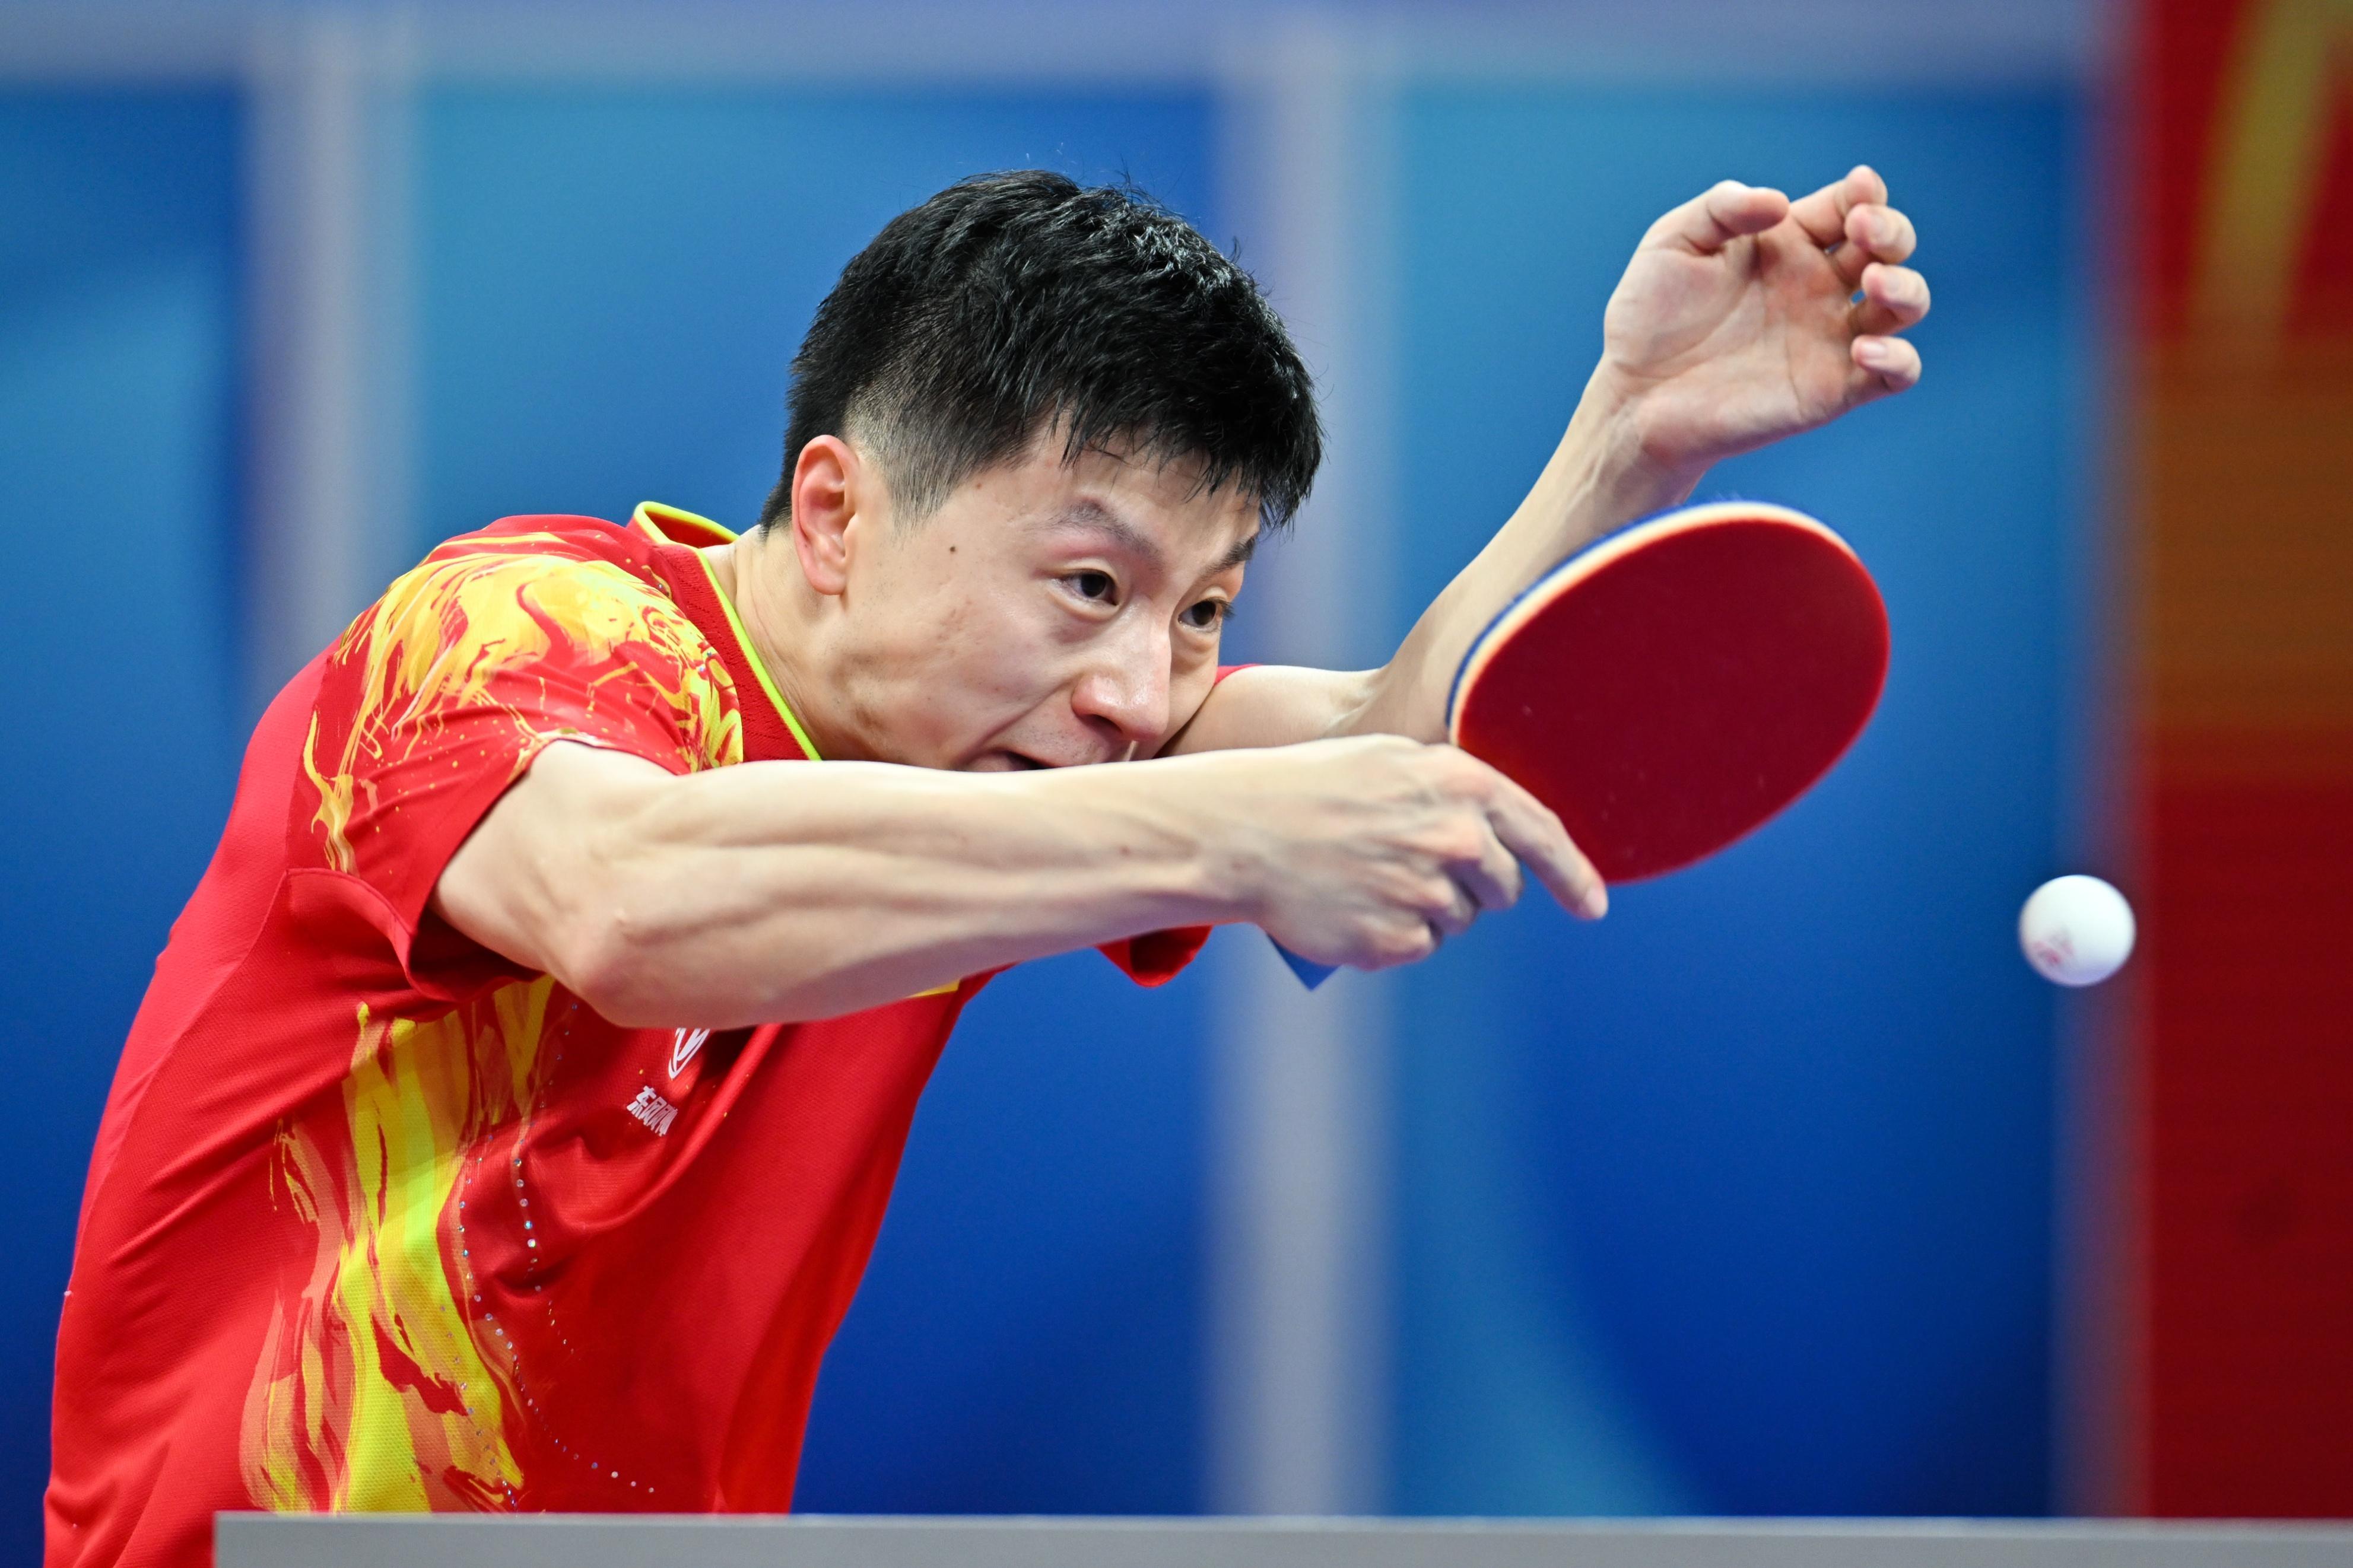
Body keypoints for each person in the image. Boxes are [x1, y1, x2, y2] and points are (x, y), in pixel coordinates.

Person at [46, 166, 1926, 1566]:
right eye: (1090, 582)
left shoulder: (1001, 743)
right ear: (839, 512)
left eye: (1205, 611)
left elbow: (1403, 749)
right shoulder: (513, 633)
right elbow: (631, 898)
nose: (1137, 690)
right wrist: (1220, 828)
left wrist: (1622, 444)